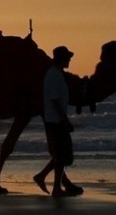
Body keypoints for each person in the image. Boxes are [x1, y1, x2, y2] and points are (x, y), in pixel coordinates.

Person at [35, 46, 81, 197]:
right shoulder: (54, 75)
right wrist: (65, 120)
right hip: (55, 120)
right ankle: (54, 186)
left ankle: (44, 178)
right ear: (62, 59)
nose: (69, 60)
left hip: (55, 119)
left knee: (61, 155)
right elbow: (54, 100)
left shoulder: (57, 74)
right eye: (67, 58)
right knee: (61, 155)